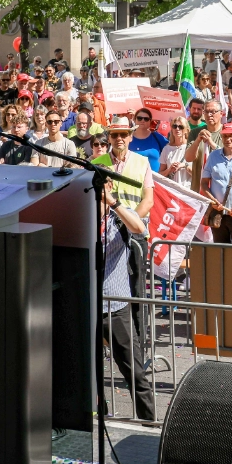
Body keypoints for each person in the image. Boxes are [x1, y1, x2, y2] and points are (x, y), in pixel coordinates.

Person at [92, 115, 155, 346]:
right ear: (108, 137)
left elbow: (149, 200)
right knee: (106, 288)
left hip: (134, 235)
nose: (119, 139)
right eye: (114, 135)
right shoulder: (97, 160)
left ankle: (137, 344)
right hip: (106, 235)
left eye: (123, 135)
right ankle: (108, 342)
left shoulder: (142, 161)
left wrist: (130, 223)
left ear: (130, 136)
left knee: (135, 289)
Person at [159, 116, 193, 187]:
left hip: (188, 191)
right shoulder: (166, 149)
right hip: (172, 191)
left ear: (186, 130)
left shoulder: (192, 147)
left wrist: (184, 165)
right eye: (175, 126)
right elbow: (160, 174)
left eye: (181, 127)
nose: (177, 129)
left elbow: (198, 175)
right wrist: (169, 170)